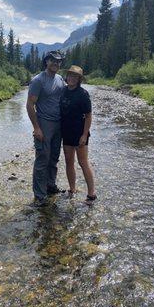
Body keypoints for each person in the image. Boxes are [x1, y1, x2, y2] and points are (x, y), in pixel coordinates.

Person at [26, 50, 66, 206]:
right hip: (44, 123)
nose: (56, 63)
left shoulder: (60, 79)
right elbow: (30, 104)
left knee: (54, 158)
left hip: (59, 124)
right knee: (42, 158)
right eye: (53, 61)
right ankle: (39, 195)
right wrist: (36, 128)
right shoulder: (38, 80)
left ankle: (50, 186)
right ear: (46, 62)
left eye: (59, 61)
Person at [60, 65, 97, 203]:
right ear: (67, 77)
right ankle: (72, 188)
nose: (71, 78)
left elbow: (88, 116)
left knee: (83, 162)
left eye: (75, 76)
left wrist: (84, 135)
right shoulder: (63, 91)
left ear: (79, 79)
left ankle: (91, 193)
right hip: (66, 132)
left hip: (80, 133)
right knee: (69, 162)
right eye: (70, 75)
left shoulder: (83, 94)